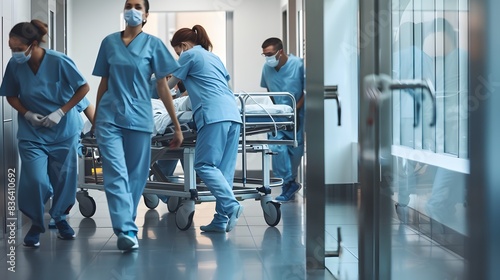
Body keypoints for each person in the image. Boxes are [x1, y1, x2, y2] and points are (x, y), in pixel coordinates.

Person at [92, 0, 183, 251]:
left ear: (146, 14)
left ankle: (127, 226)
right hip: (110, 117)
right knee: (115, 172)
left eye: (137, 6)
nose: (132, 9)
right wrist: (96, 118)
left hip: (140, 118)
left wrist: (176, 125)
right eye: (128, 5)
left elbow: (164, 86)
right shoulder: (109, 42)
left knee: (137, 175)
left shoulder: (153, 44)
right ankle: (125, 228)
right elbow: (104, 82)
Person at [0, 20, 90, 247]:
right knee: (35, 180)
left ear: (32, 45)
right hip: (32, 133)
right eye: (12, 49)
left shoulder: (59, 61)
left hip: (64, 130)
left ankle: (60, 219)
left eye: (19, 49)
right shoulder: (15, 65)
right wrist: (27, 113)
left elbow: (83, 88)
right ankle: (36, 224)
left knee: (64, 180)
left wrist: (61, 112)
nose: (15, 54)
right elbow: (11, 94)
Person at [168, 24, 243, 233]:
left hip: (213, 115)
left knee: (204, 165)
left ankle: (232, 205)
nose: (178, 55)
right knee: (224, 172)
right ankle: (220, 220)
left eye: (176, 51)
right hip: (233, 114)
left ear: (182, 45)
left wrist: (151, 84)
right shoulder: (214, 57)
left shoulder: (188, 55)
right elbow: (219, 86)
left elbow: (167, 86)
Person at [260, 37, 305, 202]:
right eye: (264, 54)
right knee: (277, 147)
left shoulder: (298, 65)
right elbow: (269, 90)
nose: (267, 58)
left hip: (297, 113)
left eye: (270, 54)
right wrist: (275, 111)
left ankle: (290, 181)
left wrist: (294, 110)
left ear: (280, 52)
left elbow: (306, 91)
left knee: (295, 149)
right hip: (277, 115)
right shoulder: (267, 68)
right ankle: (288, 183)